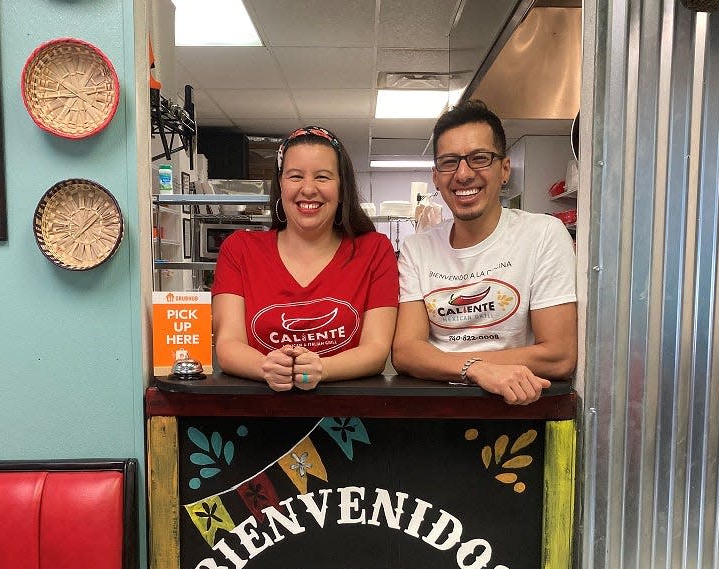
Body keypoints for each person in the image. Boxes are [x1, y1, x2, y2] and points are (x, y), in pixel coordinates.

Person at [392, 100, 577, 405]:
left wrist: (445, 362)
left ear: (504, 169)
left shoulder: (543, 234)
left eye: (479, 158)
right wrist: (478, 370)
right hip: (435, 414)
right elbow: (406, 352)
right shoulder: (418, 248)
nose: (463, 174)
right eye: (450, 161)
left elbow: (558, 356)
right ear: (436, 176)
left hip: (518, 412)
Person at [212, 125, 399, 391]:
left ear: (342, 187)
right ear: (280, 183)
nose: (308, 189)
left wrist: (322, 369)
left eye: (322, 177)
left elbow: (377, 350)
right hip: (257, 415)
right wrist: (266, 367)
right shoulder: (239, 249)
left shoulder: (374, 251)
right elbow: (228, 345)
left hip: (349, 420)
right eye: (295, 176)